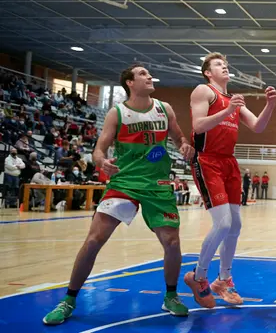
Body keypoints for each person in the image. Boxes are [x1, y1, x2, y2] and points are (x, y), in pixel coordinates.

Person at [42, 64, 195, 325]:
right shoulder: (118, 113)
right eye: (143, 74)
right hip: (124, 182)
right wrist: (102, 162)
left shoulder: (164, 108)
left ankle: (171, 296)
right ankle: (68, 299)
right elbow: (98, 150)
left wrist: (185, 146)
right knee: (93, 241)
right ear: (129, 83)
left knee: (172, 243)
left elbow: (180, 137)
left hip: (157, 184)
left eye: (149, 74)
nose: (149, 77)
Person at [185, 53, 276, 308]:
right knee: (223, 223)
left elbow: (257, 126)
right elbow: (198, 126)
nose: (224, 67)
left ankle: (223, 279)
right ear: (207, 72)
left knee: (235, 225)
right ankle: (199, 276)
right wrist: (228, 109)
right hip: (207, 161)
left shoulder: (232, 99)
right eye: (218, 64)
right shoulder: (203, 91)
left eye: (226, 64)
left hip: (229, 162)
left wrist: (269, 105)